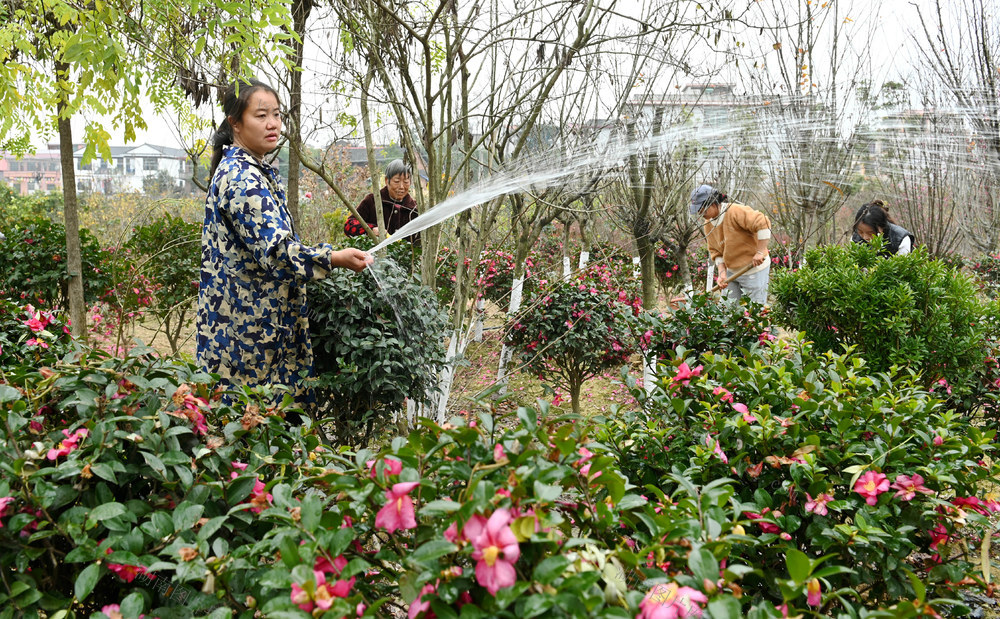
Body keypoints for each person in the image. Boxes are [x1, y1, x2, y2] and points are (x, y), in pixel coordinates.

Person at [197, 78, 372, 412]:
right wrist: (333, 258)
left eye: (276, 114)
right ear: (236, 122)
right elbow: (277, 252)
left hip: (261, 334)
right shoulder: (241, 178)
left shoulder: (256, 170)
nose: (273, 124)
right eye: (261, 115)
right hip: (245, 345)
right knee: (251, 437)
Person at [690, 184, 771, 305]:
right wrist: (722, 273)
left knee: (756, 310)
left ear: (712, 204)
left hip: (753, 269)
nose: (701, 214)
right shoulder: (708, 225)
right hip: (732, 272)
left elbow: (763, 223)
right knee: (727, 309)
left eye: (702, 210)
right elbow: (716, 252)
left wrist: (760, 251)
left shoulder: (735, 211)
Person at [344, 159, 419, 242]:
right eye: (397, 181)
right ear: (387, 181)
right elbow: (349, 226)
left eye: (406, 182)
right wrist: (371, 230)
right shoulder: (372, 201)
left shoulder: (415, 209)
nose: (401, 186)